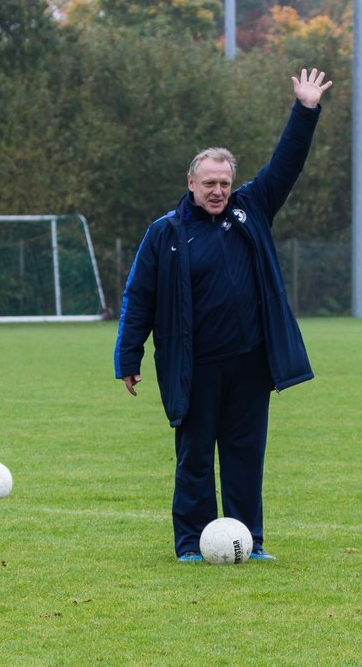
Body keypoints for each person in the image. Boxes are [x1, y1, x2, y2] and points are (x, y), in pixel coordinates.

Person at [114, 67, 333, 561]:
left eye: (225, 182)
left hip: (251, 363)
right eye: (209, 182)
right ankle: (191, 543)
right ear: (191, 182)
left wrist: (306, 110)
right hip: (195, 365)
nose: (218, 190)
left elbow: (287, 164)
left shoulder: (251, 209)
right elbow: (138, 298)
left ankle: (247, 541)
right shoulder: (164, 233)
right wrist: (128, 356)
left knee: (244, 458)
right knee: (194, 458)